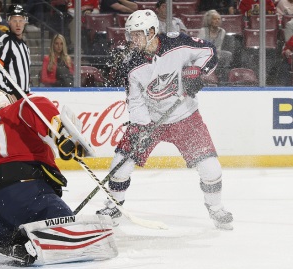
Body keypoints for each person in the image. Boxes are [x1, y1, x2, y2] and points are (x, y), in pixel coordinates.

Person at [0, 89, 117, 265]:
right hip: (25, 191)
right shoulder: (18, 108)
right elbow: (36, 105)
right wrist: (63, 132)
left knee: (8, 238)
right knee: (67, 225)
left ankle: (8, 241)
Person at [96, 9, 234, 230]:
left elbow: (209, 50)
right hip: (149, 121)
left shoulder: (177, 43)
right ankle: (113, 205)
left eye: (138, 34)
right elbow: (135, 101)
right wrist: (142, 127)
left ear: (152, 31)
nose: (133, 40)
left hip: (185, 116)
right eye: (131, 35)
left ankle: (216, 208)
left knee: (211, 169)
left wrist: (197, 72)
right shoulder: (132, 65)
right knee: (120, 166)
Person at [0, 4, 31, 99]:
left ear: (25, 22)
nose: (18, 24)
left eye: (21, 20)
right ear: (9, 21)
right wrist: (7, 93)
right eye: (14, 20)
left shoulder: (24, 46)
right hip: (10, 99)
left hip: (24, 98)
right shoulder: (3, 42)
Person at [198, 10, 233, 80]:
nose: (217, 21)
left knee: (228, 54)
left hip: (216, 54)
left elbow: (218, 46)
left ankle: (224, 78)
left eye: (218, 19)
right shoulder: (203, 31)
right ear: (209, 20)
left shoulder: (222, 31)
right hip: (204, 55)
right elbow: (199, 47)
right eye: (214, 19)